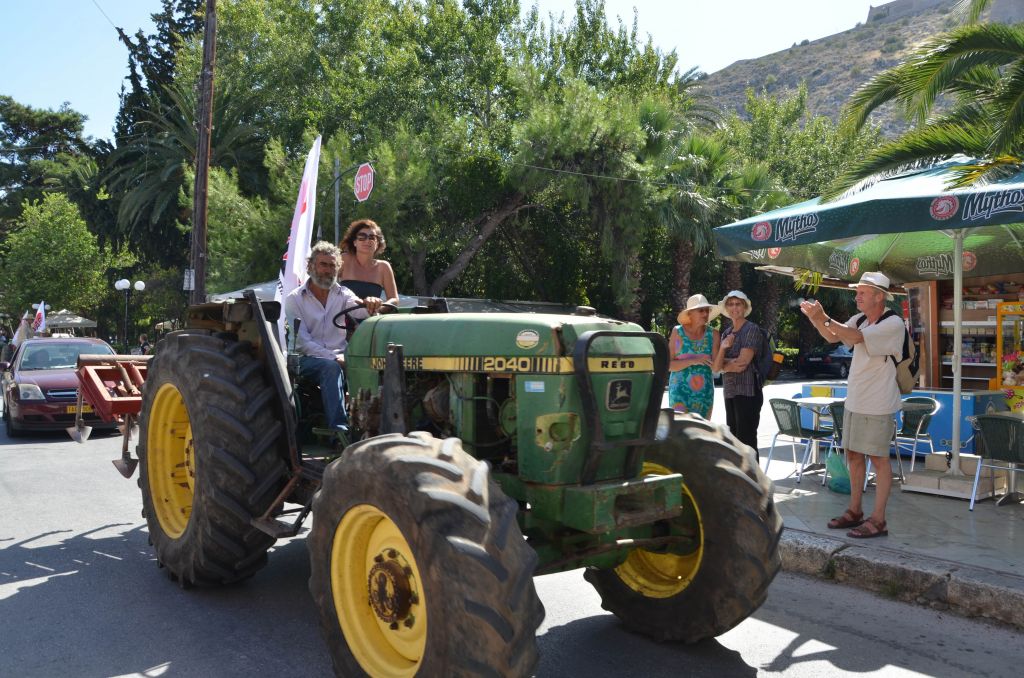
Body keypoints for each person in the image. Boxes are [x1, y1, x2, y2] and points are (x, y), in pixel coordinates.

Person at [800, 271, 904, 539]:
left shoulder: (893, 322)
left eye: (863, 292)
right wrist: (816, 320)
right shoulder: (859, 319)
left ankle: (879, 520)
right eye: (857, 291)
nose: (856, 296)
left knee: (879, 459)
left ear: (879, 296)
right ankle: (855, 511)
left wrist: (824, 317)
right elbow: (834, 337)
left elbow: (855, 338)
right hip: (856, 400)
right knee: (854, 456)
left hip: (879, 402)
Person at [285, 241, 382, 431]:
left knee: (375, 366)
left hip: (339, 356)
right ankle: (339, 431)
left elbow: (361, 310)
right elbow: (303, 343)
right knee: (330, 368)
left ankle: (370, 425)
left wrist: (371, 304)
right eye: (323, 265)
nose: (328, 271)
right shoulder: (295, 299)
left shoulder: (343, 294)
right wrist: (335, 358)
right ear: (311, 266)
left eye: (332, 266)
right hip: (304, 360)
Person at [711, 290, 763, 459]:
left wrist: (725, 364)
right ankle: (741, 480)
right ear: (726, 308)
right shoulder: (726, 333)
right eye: (731, 304)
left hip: (748, 391)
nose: (734, 308)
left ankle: (755, 482)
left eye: (738, 304)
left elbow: (741, 365)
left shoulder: (751, 329)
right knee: (733, 439)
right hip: (730, 392)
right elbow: (716, 367)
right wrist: (724, 348)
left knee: (747, 441)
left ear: (745, 307)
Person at [668, 294, 721, 418]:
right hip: (679, 393)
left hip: (704, 394)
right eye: (701, 310)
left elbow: (716, 367)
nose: (705, 314)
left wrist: (724, 348)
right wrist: (694, 360)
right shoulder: (677, 331)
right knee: (679, 432)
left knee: (702, 432)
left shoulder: (713, 334)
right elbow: (669, 365)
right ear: (690, 313)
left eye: (707, 310)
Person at [339, 219, 399, 307]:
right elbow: (325, 285)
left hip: (371, 319)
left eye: (372, 237)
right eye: (362, 237)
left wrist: (378, 307)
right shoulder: (343, 259)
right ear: (354, 242)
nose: (367, 240)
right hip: (342, 319)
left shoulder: (384, 267)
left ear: (377, 243)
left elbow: (394, 299)